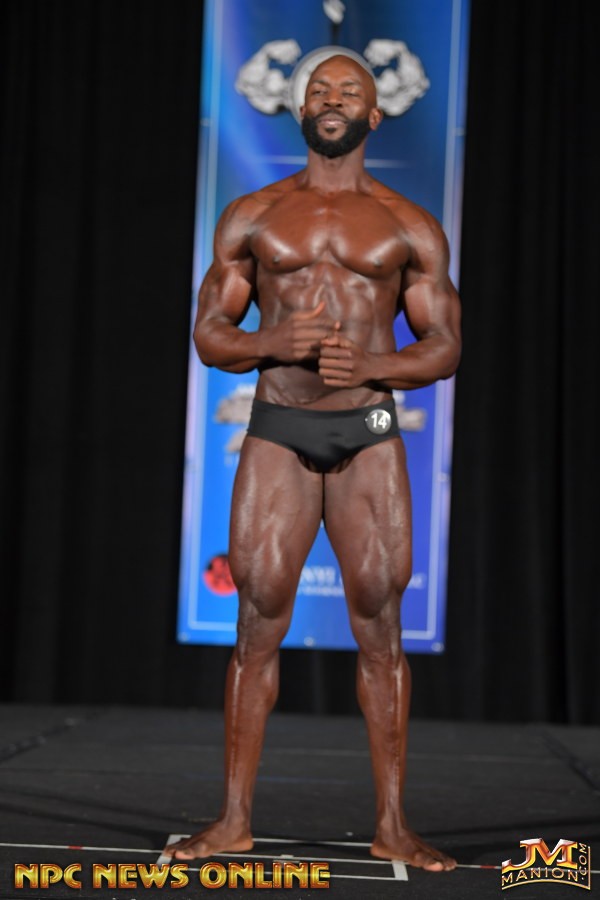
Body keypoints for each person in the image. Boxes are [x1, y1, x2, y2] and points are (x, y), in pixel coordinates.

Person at [166, 52, 461, 872]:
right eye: (320, 91)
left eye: (349, 91)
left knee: (381, 626)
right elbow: (209, 335)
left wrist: (375, 365)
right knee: (257, 621)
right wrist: (270, 341)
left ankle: (393, 824)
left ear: (375, 113)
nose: (333, 100)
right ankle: (233, 820)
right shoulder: (253, 215)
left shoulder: (409, 225)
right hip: (279, 430)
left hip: (368, 433)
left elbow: (444, 345)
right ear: (301, 109)